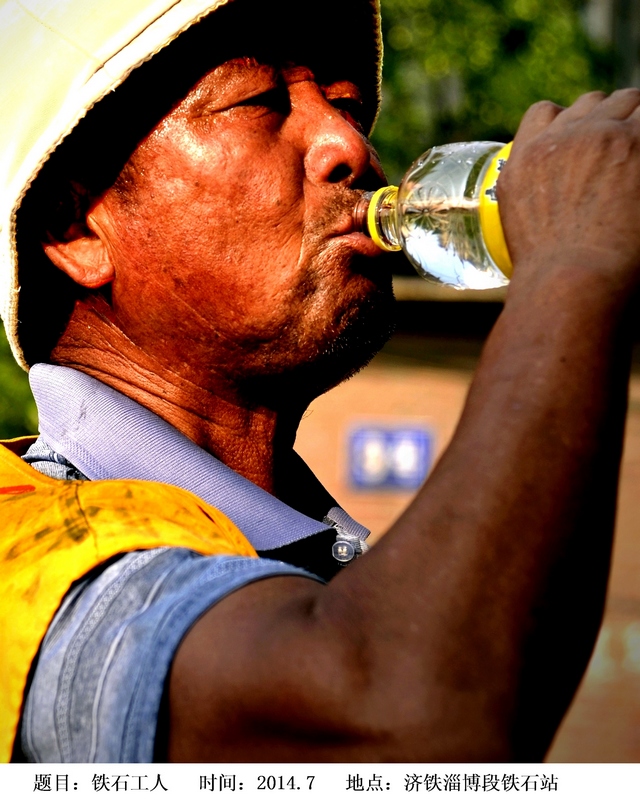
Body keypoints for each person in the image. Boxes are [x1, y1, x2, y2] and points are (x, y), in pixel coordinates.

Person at [1, 0, 640, 764]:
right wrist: (574, 267)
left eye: (343, 103)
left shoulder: (316, 568)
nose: (349, 145)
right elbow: (402, 721)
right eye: (258, 102)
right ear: (75, 229)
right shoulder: (27, 558)